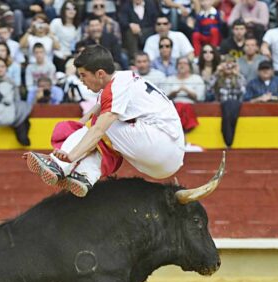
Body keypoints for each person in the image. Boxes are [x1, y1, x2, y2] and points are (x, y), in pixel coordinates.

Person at [24, 45, 185, 197]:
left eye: (83, 75)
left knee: (100, 126)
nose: (81, 80)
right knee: (101, 131)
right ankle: (85, 175)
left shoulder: (115, 88)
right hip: (171, 157)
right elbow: (88, 118)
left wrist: (70, 155)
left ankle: (58, 165)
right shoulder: (123, 81)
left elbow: (97, 129)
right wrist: (72, 137)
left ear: (100, 74)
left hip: (160, 143)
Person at [0, 57, 31, 145]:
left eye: (2, 66)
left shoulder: (12, 82)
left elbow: (16, 99)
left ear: (6, 68)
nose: (0, 69)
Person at [160, 56, 205, 131]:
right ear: (176, 66)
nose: (182, 65)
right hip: (172, 108)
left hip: (191, 107)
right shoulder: (169, 79)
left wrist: (186, 90)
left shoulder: (197, 79)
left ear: (190, 66)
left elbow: (200, 98)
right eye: (179, 63)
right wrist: (173, 93)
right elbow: (163, 97)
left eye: (185, 63)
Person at [50, 0, 80, 72]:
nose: (71, 11)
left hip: (70, 56)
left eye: (74, 9)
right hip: (56, 54)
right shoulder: (56, 22)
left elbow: (76, 45)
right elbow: (50, 37)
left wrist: (71, 55)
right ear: (63, 10)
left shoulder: (77, 27)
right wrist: (60, 54)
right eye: (68, 9)